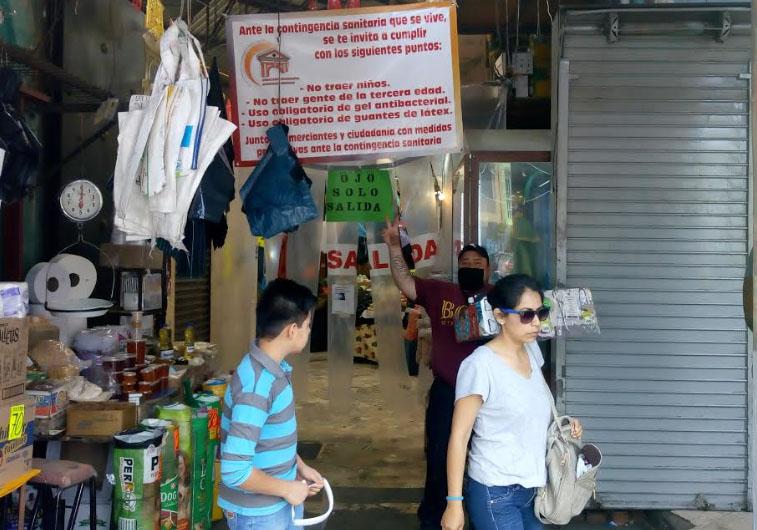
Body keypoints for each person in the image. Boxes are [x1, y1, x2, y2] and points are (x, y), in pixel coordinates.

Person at [441, 275, 583, 530]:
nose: (537, 322)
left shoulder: (532, 351)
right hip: (495, 491)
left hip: (533, 488)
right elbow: (459, 438)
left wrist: (564, 424)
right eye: (526, 315)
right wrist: (454, 503)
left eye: (542, 312)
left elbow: (530, 406)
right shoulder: (479, 366)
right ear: (499, 316)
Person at [382, 217, 493, 530]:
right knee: (439, 460)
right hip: (448, 391)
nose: (471, 266)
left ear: (489, 269)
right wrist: (393, 247)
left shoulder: (499, 298)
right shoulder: (440, 291)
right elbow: (404, 281)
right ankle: (434, 519)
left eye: (478, 263)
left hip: (489, 396)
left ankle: (478, 517)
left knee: (484, 461)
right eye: (466, 262)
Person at [219, 278, 325, 530]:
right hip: (259, 515)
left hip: (277, 506)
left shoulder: (271, 371)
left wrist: (298, 466)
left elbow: (267, 438)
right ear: (291, 330)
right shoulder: (257, 386)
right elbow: (234, 470)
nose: (309, 332)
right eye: (308, 325)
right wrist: (287, 489)